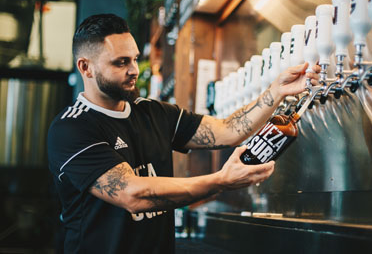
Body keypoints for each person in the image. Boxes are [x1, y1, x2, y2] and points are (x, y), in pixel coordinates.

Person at [47, 14, 320, 253]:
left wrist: (277, 91)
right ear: (86, 67)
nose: (133, 70)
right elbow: (133, 194)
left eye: (134, 59)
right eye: (120, 63)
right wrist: (221, 181)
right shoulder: (72, 128)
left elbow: (227, 131)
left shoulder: (153, 112)